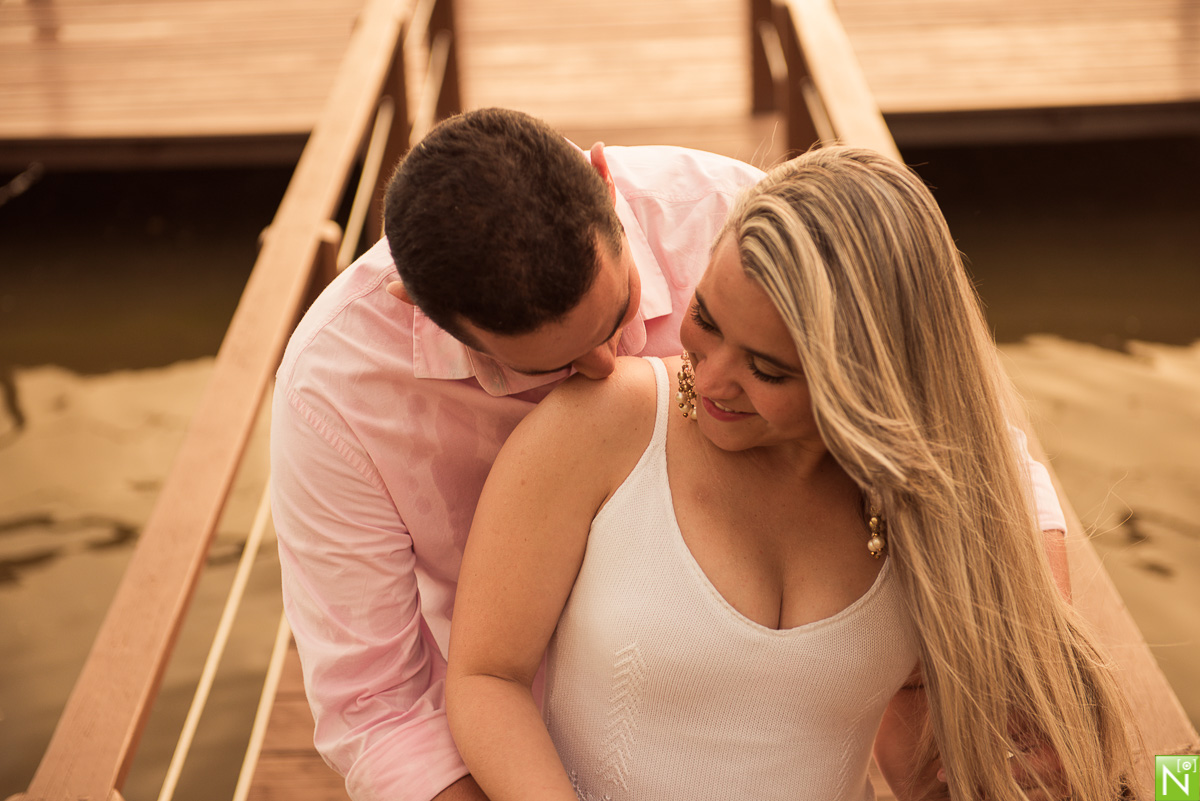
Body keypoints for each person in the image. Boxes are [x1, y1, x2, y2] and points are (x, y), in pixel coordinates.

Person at [270, 108, 1069, 801]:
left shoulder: (740, 227)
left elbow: (967, 437)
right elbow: (382, 707)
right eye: (544, 366)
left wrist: (1035, 676)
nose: (605, 367)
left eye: (618, 314)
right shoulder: (334, 395)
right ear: (425, 308)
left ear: (607, 189)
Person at [444, 147, 1135, 801]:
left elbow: (960, 722)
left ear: (864, 378)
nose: (710, 375)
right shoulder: (599, 428)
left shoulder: (928, 505)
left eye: (768, 369)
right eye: (706, 319)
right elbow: (485, 677)